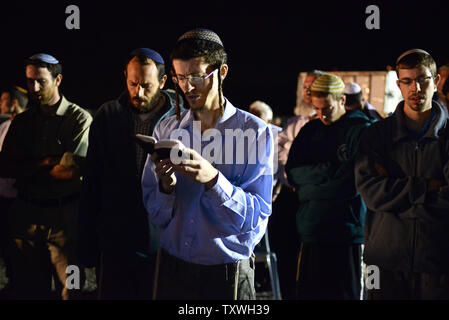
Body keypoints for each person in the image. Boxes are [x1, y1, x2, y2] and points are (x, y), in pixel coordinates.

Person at [141, 28, 274, 300]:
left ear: (222, 71)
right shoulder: (166, 129)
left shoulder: (255, 132)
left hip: (228, 276)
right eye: (179, 77)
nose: (186, 87)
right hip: (174, 269)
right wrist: (166, 188)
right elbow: (156, 214)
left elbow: (256, 217)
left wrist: (214, 180)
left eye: (196, 77)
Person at [78, 48, 183, 300]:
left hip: (162, 234)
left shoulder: (182, 117)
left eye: (146, 85)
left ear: (163, 81)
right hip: (115, 234)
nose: (138, 92)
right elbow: (93, 180)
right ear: (125, 76)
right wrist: (87, 242)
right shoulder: (108, 114)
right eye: (133, 83)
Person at [355, 49, 449, 300]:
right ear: (398, 84)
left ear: (436, 81)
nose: (415, 88)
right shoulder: (376, 136)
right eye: (407, 81)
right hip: (386, 261)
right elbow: (372, 195)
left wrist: (396, 194)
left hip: (437, 261)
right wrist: (427, 187)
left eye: (422, 79)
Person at [0, 53, 92, 299]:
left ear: (58, 79)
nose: (35, 87)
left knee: (71, 290)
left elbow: (69, 171)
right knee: (28, 289)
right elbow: (7, 167)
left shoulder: (79, 118)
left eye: (41, 81)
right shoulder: (21, 122)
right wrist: (47, 161)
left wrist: (28, 166)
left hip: (65, 221)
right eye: (30, 81)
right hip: (27, 218)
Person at [286, 73, 373, 300]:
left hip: (347, 234)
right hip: (312, 232)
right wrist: (329, 173)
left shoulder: (361, 129)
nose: (321, 114)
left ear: (342, 101)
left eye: (327, 108)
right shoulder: (309, 130)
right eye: (317, 108)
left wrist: (308, 189)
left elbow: (351, 183)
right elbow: (293, 173)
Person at [268, 70, 323, 300]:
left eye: (313, 87)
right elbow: (278, 156)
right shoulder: (293, 122)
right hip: (290, 196)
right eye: (305, 87)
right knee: (287, 252)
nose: (308, 92)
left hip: (312, 199)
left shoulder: (323, 124)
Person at [0, 86, 27, 296]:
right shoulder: (4, 126)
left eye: (3, 100)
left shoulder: (26, 127)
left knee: (19, 242)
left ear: (14, 102)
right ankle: (12, 279)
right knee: (5, 240)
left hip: (19, 195)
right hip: (3, 194)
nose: (0, 104)